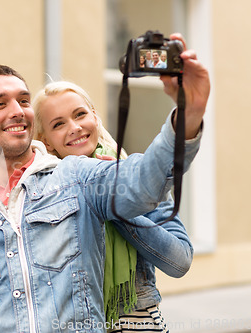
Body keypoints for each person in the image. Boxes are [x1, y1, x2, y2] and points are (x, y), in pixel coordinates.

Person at [0, 33, 209, 332]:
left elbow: (145, 179)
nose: (17, 110)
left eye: (23, 100)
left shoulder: (78, 176)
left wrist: (189, 113)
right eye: (0, 103)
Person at [32, 80, 193, 331]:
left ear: (94, 117)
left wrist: (116, 204)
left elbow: (179, 261)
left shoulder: (137, 178)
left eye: (80, 114)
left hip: (137, 321)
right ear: (47, 141)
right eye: (59, 124)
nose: (74, 127)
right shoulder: (41, 194)